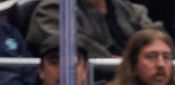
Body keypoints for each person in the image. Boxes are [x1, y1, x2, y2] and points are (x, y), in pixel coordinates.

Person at [27, 0, 163, 59]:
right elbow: (67, 46)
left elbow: (160, 42)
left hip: (138, 81)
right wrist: (125, 65)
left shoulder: (132, 10)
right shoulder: (53, 9)